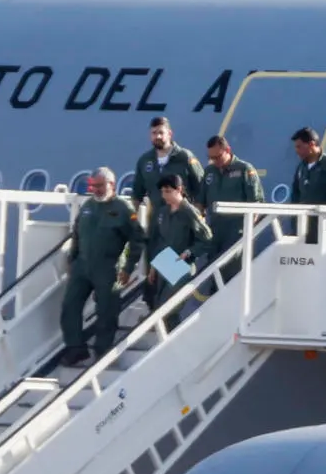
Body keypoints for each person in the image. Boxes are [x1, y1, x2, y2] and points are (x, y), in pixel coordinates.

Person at [58, 167, 145, 367]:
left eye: (99, 185)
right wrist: (72, 259)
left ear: (111, 185)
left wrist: (128, 267)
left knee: (107, 310)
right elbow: (77, 234)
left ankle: (102, 350)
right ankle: (75, 348)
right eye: (93, 185)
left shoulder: (123, 209)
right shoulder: (88, 206)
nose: (95, 189)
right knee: (69, 306)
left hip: (109, 267)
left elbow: (137, 239)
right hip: (82, 266)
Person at [149, 175, 212, 326]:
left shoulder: (189, 212)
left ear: (179, 190)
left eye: (168, 191)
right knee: (161, 308)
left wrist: (190, 252)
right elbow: (160, 241)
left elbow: (207, 238)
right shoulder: (163, 212)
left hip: (182, 264)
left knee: (167, 307)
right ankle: (167, 343)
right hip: (166, 263)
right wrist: (153, 266)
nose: (165, 195)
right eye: (163, 192)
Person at [201, 135, 263, 284]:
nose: (214, 161)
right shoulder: (209, 172)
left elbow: (256, 203)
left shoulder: (244, 170)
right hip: (215, 233)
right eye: (211, 158)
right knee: (214, 275)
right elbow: (200, 202)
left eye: (217, 157)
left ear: (227, 150)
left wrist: (247, 232)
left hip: (236, 233)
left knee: (232, 275)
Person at [134, 115, 205, 234]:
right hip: (155, 226)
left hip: (182, 223)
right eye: (154, 133)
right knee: (156, 253)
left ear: (170, 134)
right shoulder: (144, 161)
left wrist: (196, 217)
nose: (158, 136)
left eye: (161, 132)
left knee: (176, 253)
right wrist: (133, 222)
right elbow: (137, 196)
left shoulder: (185, 157)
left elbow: (202, 190)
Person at [287, 127, 326, 241]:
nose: (296, 151)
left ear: (311, 144)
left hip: (325, 229)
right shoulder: (301, 168)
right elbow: (296, 195)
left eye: (299, 147)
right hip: (303, 229)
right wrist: (294, 222)